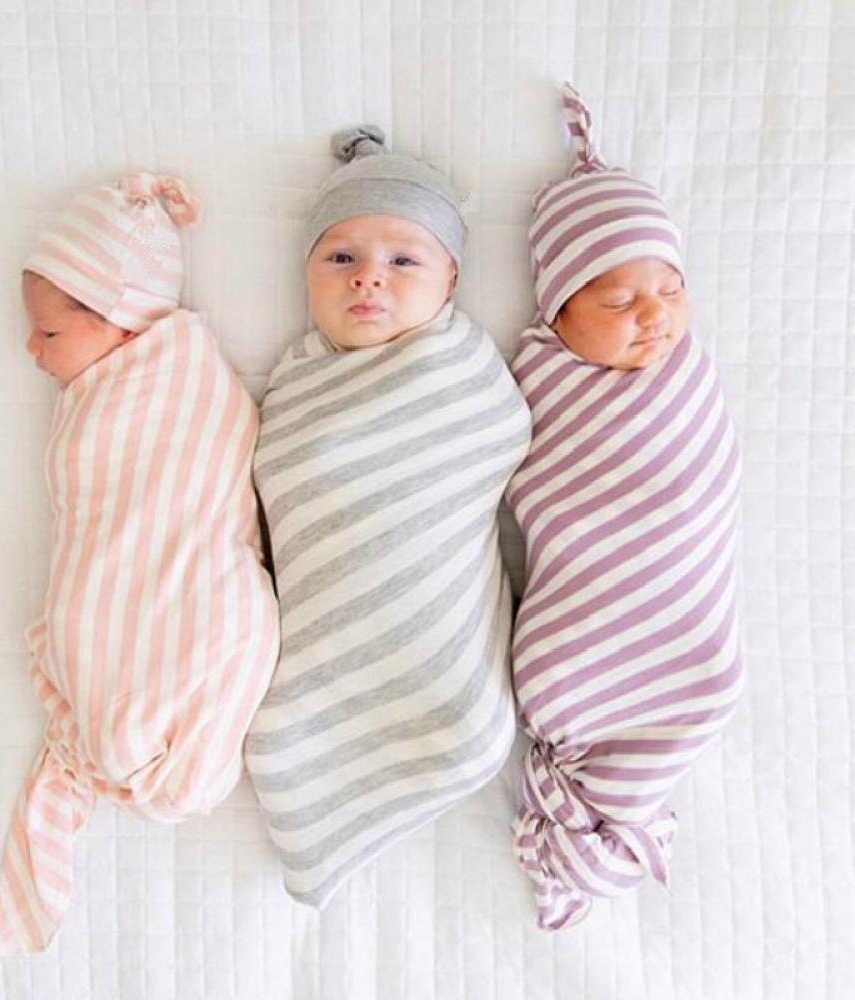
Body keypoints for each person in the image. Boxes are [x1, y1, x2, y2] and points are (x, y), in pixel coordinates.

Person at [0, 173, 280, 954]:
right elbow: (98, 516)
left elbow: (189, 495)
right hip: (124, 585)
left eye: (48, 333)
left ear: (115, 321)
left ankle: (139, 727)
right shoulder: (104, 389)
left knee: (176, 618)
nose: (31, 350)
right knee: (95, 633)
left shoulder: (182, 379)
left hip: (195, 584)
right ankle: (127, 728)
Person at [245, 127, 532, 907]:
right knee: (280, 740)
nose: (368, 277)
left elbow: (498, 438)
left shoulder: (460, 368)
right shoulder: (296, 385)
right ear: (305, 274)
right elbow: (285, 479)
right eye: (340, 257)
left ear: (452, 279)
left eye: (404, 261)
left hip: (434, 645)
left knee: (460, 722)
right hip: (327, 632)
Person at [507, 84, 744, 930]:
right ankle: (596, 815)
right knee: (572, 678)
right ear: (557, 310)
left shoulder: (687, 375)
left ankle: (604, 816)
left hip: (682, 597)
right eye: (617, 301)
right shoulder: (539, 379)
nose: (654, 318)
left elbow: (706, 480)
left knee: (710, 681)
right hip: (586, 606)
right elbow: (541, 489)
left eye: (671, 290)